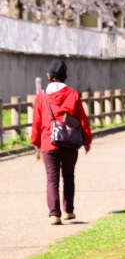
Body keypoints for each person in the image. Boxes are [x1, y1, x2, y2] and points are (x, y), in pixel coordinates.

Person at [31, 59, 92, 225]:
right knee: (68, 176)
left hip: (48, 142)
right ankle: (68, 211)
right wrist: (87, 140)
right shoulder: (73, 94)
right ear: (66, 75)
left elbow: (36, 122)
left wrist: (36, 142)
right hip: (70, 142)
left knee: (52, 180)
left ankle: (54, 214)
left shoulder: (41, 96)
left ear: (48, 76)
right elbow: (82, 120)